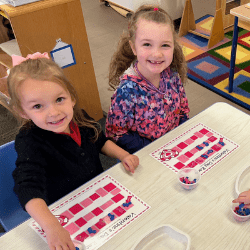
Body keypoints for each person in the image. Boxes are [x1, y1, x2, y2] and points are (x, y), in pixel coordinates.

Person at [3, 52, 139, 250]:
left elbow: (99, 141)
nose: (54, 112)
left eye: (59, 99)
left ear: (72, 97)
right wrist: (51, 227)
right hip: (64, 212)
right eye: (38, 106)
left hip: (97, 194)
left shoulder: (78, 117)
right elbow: (27, 187)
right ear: (23, 111)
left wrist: (123, 155)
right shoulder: (29, 141)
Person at [106, 5, 190, 154]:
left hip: (174, 148)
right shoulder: (127, 90)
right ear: (133, 48)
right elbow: (115, 133)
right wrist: (153, 148)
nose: (156, 54)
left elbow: (183, 109)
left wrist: (181, 133)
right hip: (145, 155)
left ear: (173, 47)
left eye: (165, 45)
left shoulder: (172, 76)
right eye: (147, 44)